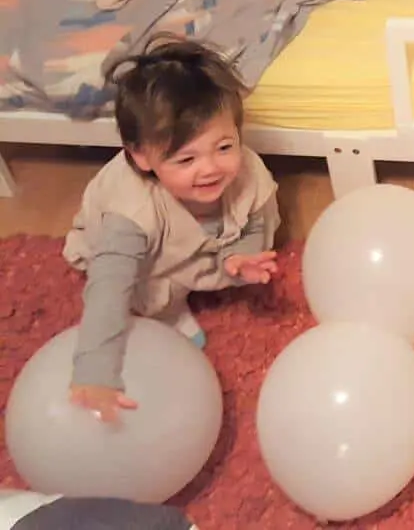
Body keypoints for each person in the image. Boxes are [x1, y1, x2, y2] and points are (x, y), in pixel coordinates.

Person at [62, 36, 281, 424]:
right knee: (141, 291)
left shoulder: (244, 169)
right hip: (146, 261)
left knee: (248, 215)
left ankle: (215, 255)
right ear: (142, 156)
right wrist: (94, 371)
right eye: (186, 158)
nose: (211, 167)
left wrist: (241, 253)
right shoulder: (130, 215)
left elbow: (255, 216)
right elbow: (108, 289)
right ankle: (167, 313)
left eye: (224, 146)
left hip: (202, 240)